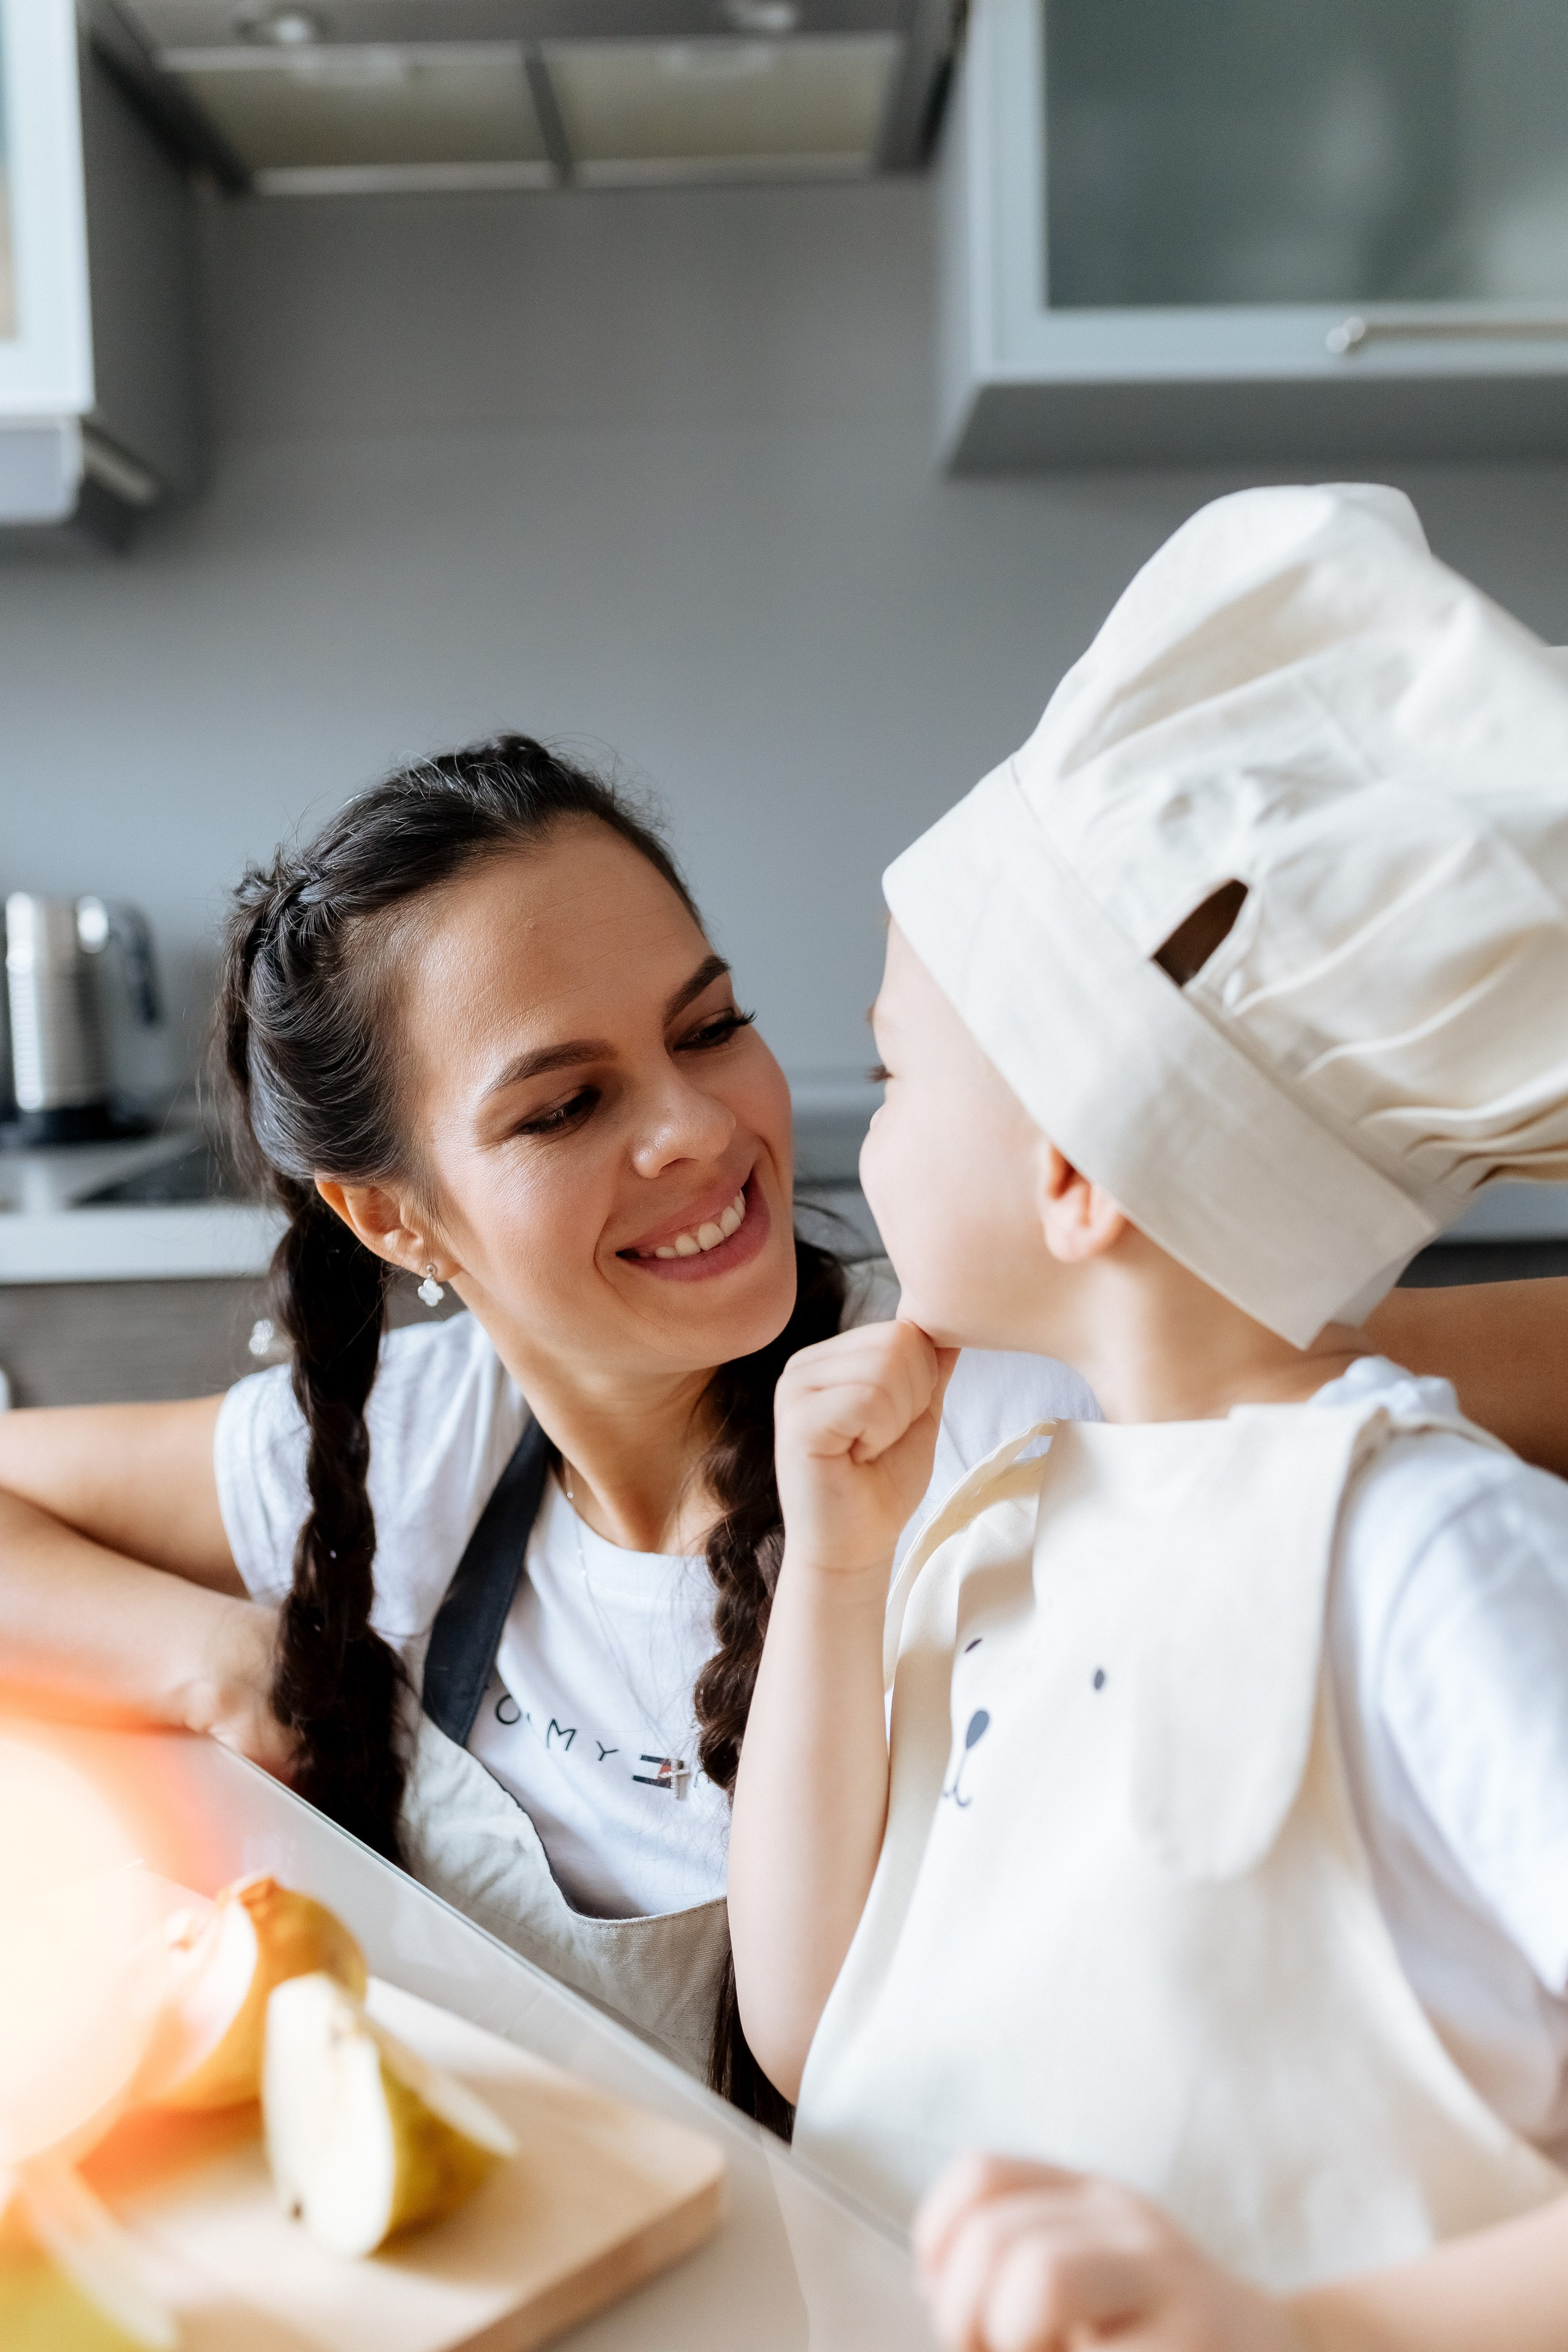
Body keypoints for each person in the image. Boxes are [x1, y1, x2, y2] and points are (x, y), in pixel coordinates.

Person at [0, 734, 1562, 2122]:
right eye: (565, 1106)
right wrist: (211, 1660)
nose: (696, 1129)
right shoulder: (406, 1447)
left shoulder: (1030, 1369)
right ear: (392, 1219)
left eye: (709, 1025)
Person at [727, 480, 1568, 2343]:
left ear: (1080, 1173)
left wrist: (1308, 2329)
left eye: (895, 1072)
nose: (859, 1140)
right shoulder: (1000, 1509)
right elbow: (812, 2035)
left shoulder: (1426, 1557)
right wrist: (839, 1574)